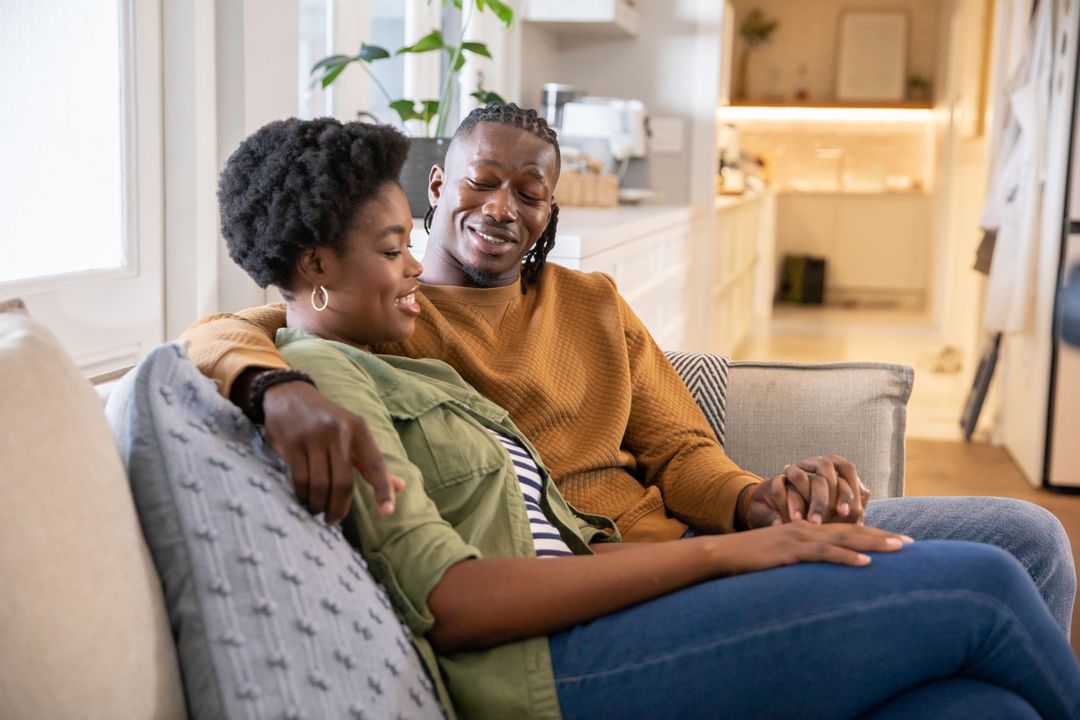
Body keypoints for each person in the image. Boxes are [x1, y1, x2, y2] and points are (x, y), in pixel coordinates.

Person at [212, 115, 1080, 720]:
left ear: (553, 208)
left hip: (671, 558)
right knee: (989, 586)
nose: (504, 209)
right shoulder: (387, 331)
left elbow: (676, 445)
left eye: (532, 192)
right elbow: (262, 322)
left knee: (1011, 606)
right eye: (481, 183)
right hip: (603, 609)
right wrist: (268, 386)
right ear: (439, 185)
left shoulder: (583, 302)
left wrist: (757, 502)